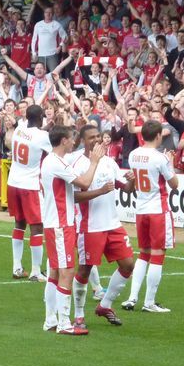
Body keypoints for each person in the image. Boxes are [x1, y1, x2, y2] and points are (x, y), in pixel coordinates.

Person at [69, 124, 137, 327]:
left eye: (98, 136)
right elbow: (73, 196)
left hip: (113, 224)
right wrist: (99, 191)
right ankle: (79, 316)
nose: (97, 140)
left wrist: (132, 181)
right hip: (90, 226)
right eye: (91, 137)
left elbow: (126, 190)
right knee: (84, 270)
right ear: (83, 141)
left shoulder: (109, 162)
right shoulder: (78, 163)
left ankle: (105, 305)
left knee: (128, 265)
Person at [40, 125, 103, 335]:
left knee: (55, 273)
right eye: (71, 138)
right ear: (63, 141)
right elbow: (84, 182)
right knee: (66, 271)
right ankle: (64, 323)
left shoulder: (52, 161)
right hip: (60, 223)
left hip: (54, 222)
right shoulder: (56, 163)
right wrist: (94, 162)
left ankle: (51, 319)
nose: (73, 142)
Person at [122, 120, 179, 313]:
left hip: (141, 209)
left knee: (144, 253)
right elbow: (174, 184)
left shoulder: (133, 155)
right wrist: (170, 162)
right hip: (157, 210)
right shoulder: (159, 158)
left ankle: (132, 298)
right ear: (157, 136)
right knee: (157, 254)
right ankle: (149, 302)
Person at [6, 105, 50, 281]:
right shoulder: (42, 136)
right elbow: (53, 146)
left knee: (19, 223)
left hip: (13, 181)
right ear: (40, 117)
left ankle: (17, 267)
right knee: (37, 226)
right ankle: (36, 271)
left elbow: (34, 136)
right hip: (30, 184)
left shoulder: (19, 130)